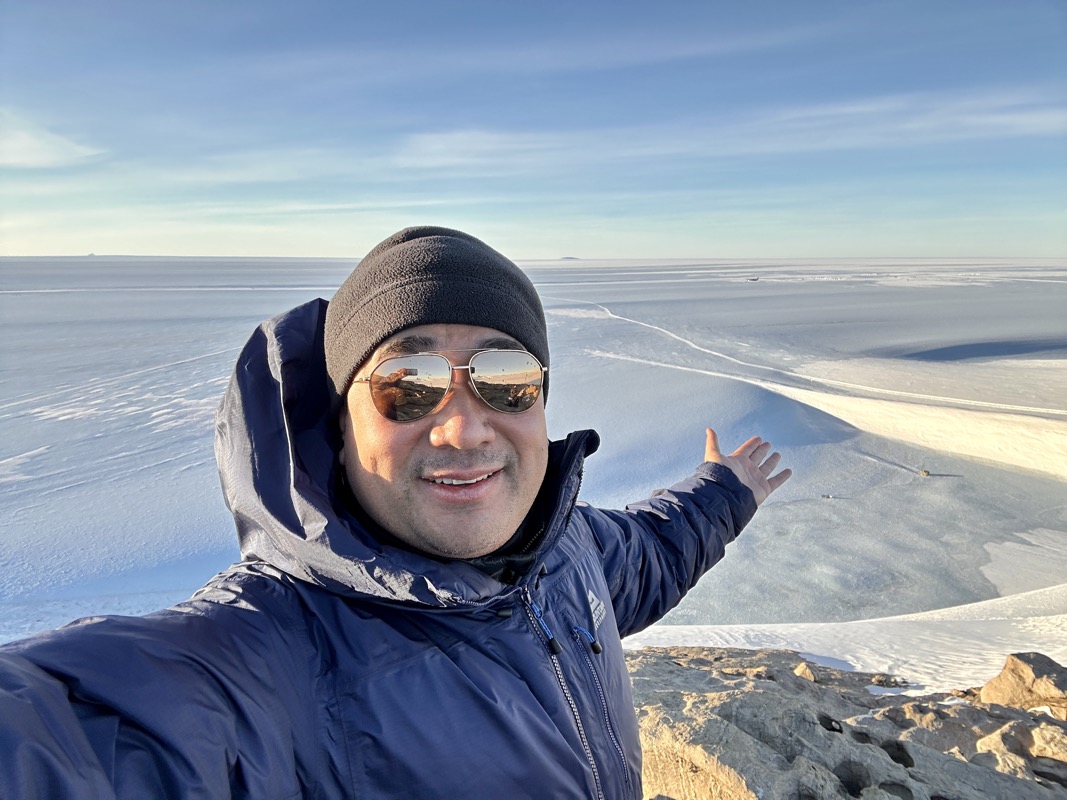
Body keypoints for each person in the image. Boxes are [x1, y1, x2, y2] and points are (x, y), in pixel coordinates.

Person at [0, 226, 791, 799]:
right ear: (342, 427)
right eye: (407, 383)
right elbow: (79, 739)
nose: (464, 424)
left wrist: (724, 490)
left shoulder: (565, 545)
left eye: (504, 376)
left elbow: (651, 553)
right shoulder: (269, 653)